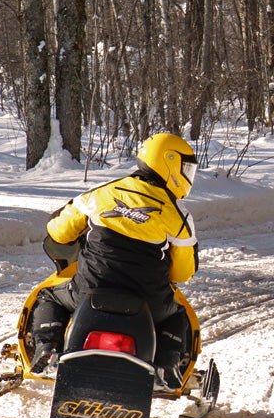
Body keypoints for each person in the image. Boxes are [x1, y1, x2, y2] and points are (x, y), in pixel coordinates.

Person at [28, 132, 200, 388]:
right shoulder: (179, 216)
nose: (187, 176)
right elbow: (183, 273)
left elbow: (58, 232)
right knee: (177, 315)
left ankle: (47, 349)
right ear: (168, 162)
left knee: (49, 297)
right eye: (185, 169)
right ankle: (167, 365)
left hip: (89, 291)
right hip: (148, 301)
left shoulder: (102, 194)